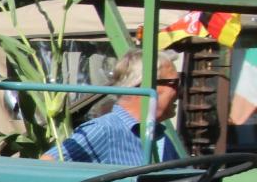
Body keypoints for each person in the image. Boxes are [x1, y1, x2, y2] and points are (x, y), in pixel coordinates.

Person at [47, 49, 181, 165]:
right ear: (142, 86)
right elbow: (45, 165)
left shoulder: (159, 135)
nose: (179, 92)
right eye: (174, 83)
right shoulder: (104, 130)